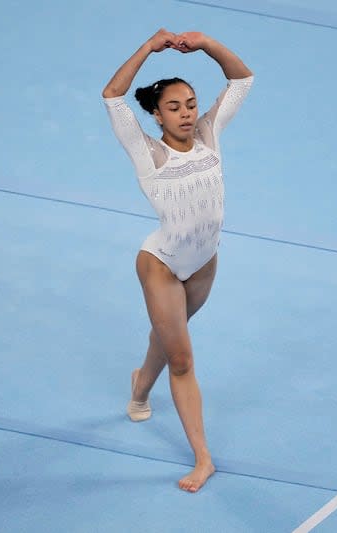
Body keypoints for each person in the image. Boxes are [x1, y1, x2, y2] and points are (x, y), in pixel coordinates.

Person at [102, 28, 253, 493]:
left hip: (205, 263)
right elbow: (112, 95)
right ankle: (203, 459)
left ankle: (140, 385)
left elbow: (242, 79)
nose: (187, 114)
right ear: (156, 114)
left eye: (190, 104)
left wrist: (207, 44)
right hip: (162, 265)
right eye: (174, 107)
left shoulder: (209, 134)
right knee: (183, 359)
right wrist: (148, 48)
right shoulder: (149, 152)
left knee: (170, 342)